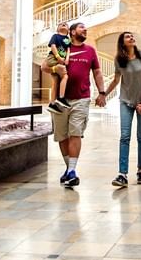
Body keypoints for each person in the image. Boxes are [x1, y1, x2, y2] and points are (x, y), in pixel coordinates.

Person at [40, 22, 108, 187]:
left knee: (75, 133)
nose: (85, 29)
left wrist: (102, 92)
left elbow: (97, 72)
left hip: (81, 98)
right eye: (81, 27)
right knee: (62, 136)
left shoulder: (90, 50)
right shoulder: (62, 46)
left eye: (86, 28)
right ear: (71, 32)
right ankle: (68, 169)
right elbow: (44, 66)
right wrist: (56, 69)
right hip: (59, 101)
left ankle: (72, 170)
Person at [105, 31, 141, 187]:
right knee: (125, 136)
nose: (132, 38)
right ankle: (122, 174)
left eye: (132, 36)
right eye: (127, 36)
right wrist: (103, 94)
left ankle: (140, 170)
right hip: (125, 101)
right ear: (122, 42)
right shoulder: (119, 59)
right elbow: (116, 80)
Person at [45, 21, 71, 113]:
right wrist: (58, 57)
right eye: (61, 24)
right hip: (53, 58)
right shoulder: (55, 36)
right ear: (57, 28)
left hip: (62, 60)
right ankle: (61, 98)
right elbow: (53, 46)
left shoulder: (67, 38)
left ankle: (52, 104)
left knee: (56, 82)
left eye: (66, 24)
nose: (63, 24)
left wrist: (67, 58)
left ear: (68, 30)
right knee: (65, 76)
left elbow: (68, 49)